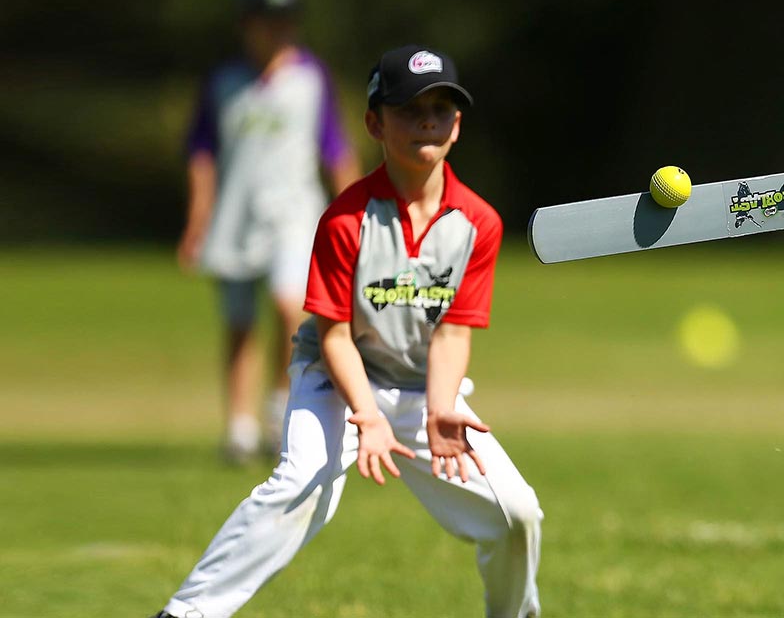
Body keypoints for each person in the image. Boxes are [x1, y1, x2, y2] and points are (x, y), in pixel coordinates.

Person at [154, 45, 542, 618]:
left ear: (457, 126)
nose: (427, 121)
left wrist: (438, 410)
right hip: (336, 379)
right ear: (374, 123)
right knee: (302, 483)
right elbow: (333, 334)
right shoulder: (345, 218)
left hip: (421, 386)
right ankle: (187, 613)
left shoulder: (478, 222)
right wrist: (367, 414)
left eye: (441, 108)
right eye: (410, 109)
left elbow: (454, 333)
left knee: (516, 513)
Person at [177, 0, 360, 463]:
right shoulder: (224, 82)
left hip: (295, 214)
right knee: (239, 323)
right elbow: (202, 153)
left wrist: (357, 214)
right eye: (268, 22)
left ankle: (282, 407)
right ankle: (239, 425)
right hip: (235, 215)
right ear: (247, 25)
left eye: (286, 21)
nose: (278, 31)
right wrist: (198, 219)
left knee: (290, 309)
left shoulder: (309, 78)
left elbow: (336, 149)